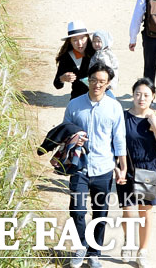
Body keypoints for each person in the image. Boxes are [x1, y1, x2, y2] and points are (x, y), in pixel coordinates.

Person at [63, 62, 126, 268]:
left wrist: (122, 166)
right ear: (87, 81)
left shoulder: (114, 107)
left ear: (108, 84)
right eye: (93, 80)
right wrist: (72, 140)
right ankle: (80, 247)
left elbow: (119, 139)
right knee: (77, 210)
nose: (97, 85)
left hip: (104, 168)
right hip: (79, 168)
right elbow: (65, 132)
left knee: (100, 212)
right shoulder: (74, 105)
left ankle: (94, 252)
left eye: (102, 82)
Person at [116, 78, 156, 268]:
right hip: (126, 167)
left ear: (153, 97)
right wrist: (117, 167)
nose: (141, 98)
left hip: (147, 168)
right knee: (128, 211)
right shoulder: (122, 117)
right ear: (132, 95)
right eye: (138, 94)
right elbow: (114, 142)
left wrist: (154, 123)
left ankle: (142, 251)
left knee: (145, 211)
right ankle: (128, 240)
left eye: (146, 95)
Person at [54, 21, 94, 100]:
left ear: (87, 37)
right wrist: (63, 78)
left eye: (82, 38)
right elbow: (57, 84)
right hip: (78, 96)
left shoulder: (96, 52)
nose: (79, 43)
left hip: (100, 95)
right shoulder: (67, 58)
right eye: (75, 40)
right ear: (70, 41)